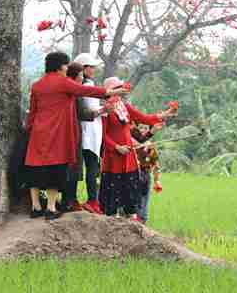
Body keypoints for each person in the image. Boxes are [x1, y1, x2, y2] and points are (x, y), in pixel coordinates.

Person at [23, 51, 120, 221]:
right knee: (55, 168)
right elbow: (85, 90)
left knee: (36, 168)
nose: (67, 68)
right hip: (57, 132)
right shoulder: (63, 82)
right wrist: (109, 92)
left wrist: (29, 129)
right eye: (66, 65)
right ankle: (51, 208)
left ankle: (36, 206)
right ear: (61, 66)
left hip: (38, 132)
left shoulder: (37, 85)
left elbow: (32, 112)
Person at [98, 76, 175, 220]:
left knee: (131, 192)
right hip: (114, 157)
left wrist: (165, 114)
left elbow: (144, 118)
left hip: (129, 157)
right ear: (112, 91)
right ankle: (111, 219)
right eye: (119, 88)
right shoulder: (105, 109)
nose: (123, 91)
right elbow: (102, 135)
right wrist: (117, 147)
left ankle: (131, 219)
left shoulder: (124, 106)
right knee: (113, 195)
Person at [60, 62, 101, 213]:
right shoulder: (75, 92)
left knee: (74, 166)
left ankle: (71, 199)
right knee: (73, 167)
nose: (82, 78)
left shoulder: (72, 90)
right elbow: (84, 113)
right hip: (74, 131)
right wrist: (102, 109)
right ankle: (69, 200)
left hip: (74, 131)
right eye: (81, 75)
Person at [73, 52, 106, 214]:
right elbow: (90, 110)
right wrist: (105, 109)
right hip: (88, 131)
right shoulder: (86, 86)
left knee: (93, 166)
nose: (94, 69)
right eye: (91, 67)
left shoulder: (88, 84)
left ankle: (93, 199)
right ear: (84, 68)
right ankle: (93, 200)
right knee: (92, 166)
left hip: (92, 130)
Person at [131, 121, 163, 223]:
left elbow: (155, 165)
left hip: (145, 176)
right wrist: (141, 147)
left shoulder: (152, 147)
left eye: (145, 129)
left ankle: (142, 222)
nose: (143, 131)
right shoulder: (131, 143)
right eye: (141, 128)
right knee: (131, 201)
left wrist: (157, 180)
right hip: (132, 175)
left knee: (144, 202)